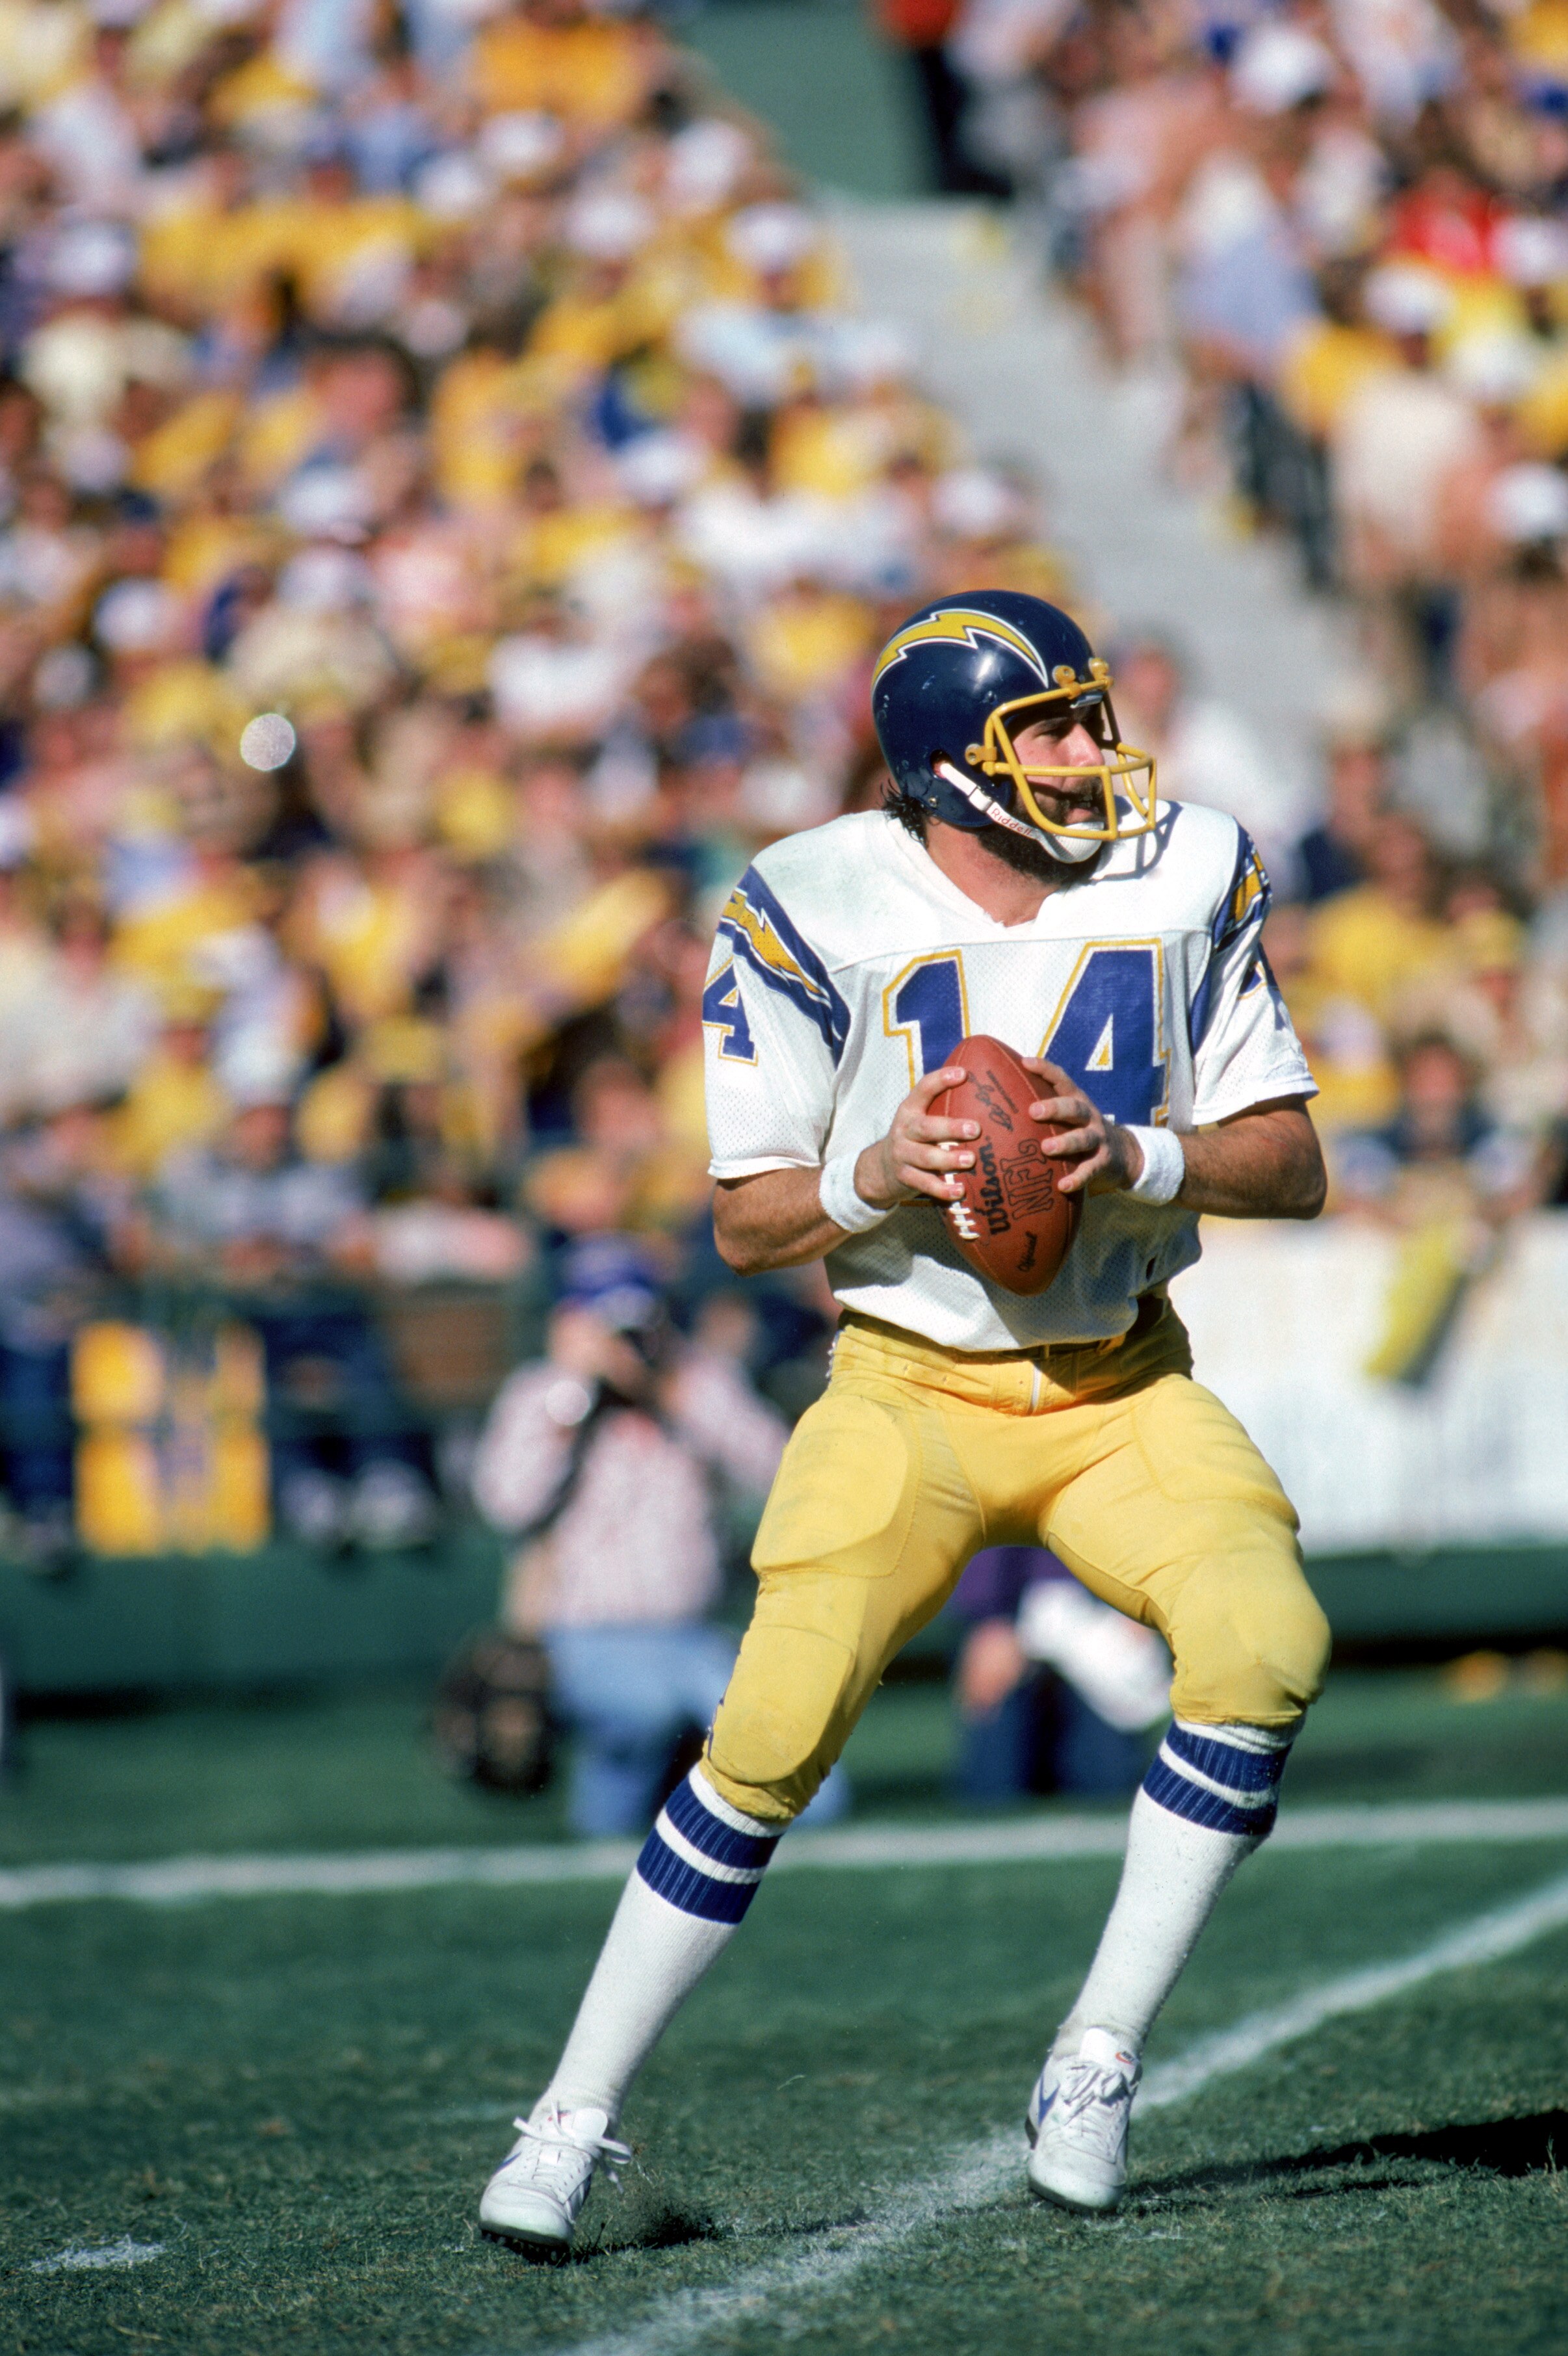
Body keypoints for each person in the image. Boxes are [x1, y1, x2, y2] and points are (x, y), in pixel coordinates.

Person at [476, 589, 1330, 2245]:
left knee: (1266, 1642)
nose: (1088, 752)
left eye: (1087, 716)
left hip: (1117, 1379)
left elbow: (1290, 1160)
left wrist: (1136, 1152)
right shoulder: (810, 899)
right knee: (766, 1732)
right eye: (1047, 728)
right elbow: (746, 1220)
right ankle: (568, 2122)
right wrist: (877, 1169)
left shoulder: (1186, 870)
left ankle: (1095, 2055)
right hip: (908, 1384)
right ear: (949, 766)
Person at [471, 1239, 822, 1838]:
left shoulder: (694, 1380)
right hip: (584, 1637)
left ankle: (672, 1791)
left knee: (814, 1796)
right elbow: (507, 1504)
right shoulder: (542, 1395)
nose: (627, 1342)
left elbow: (779, 1470)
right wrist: (574, 1391)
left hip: (693, 1635)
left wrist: (678, 1397)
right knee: (645, 1711)